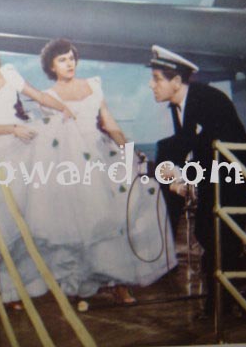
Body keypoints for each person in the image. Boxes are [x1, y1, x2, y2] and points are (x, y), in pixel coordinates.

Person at [33, 39, 176, 306]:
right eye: (62, 60)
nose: (69, 63)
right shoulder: (48, 96)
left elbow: (109, 123)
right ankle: (79, 284)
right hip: (71, 162)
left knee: (119, 212)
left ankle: (119, 283)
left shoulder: (93, 85)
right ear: (51, 66)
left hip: (101, 152)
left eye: (71, 58)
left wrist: (129, 151)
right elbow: (51, 137)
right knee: (83, 222)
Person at [0, 32, 75, 306]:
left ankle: (31, 286)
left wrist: (63, 108)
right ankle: (9, 290)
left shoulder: (8, 73)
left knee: (30, 217)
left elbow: (38, 95)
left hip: (26, 148)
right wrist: (13, 128)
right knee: (7, 222)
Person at [148, 45, 246, 318]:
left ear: (176, 81)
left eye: (157, 79)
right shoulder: (179, 106)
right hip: (214, 176)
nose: (152, 85)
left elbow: (207, 148)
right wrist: (168, 173)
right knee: (208, 234)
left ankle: (223, 303)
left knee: (217, 236)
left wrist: (183, 176)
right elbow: (180, 146)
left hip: (233, 176)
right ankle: (232, 291)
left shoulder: (207, 100)